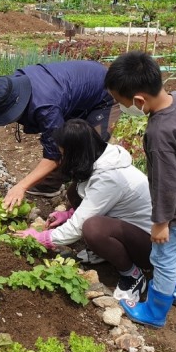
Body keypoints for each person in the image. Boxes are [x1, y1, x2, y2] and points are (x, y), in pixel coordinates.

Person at [105, 51, 176, 328]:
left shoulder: (159, 133)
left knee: (163, 255)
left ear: (138, 101)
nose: (119, 107)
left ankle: (155, 311)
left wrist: (160, 222)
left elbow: (166, 184)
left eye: (119, 102)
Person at [15, 119, 153, 302]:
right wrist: (68, 215)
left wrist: (41, 238)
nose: (62, 159)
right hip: (127, 226)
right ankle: (106, 252)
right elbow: (97, 201)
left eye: (64, 154)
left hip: (150, 246)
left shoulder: (109, 177)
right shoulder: (100, 156)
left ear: (76, 153)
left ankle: (133, 275)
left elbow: (78, 227)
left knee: (92, 229)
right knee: (75, 191)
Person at [0, 61, 120, 210]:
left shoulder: (46, 107)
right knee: (64, 140)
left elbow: (54, 154)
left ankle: (84, 205)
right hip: (73, 93)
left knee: (87, 151)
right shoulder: (12, 85)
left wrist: (21, 186)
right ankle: (49, 186)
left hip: (104, 93)